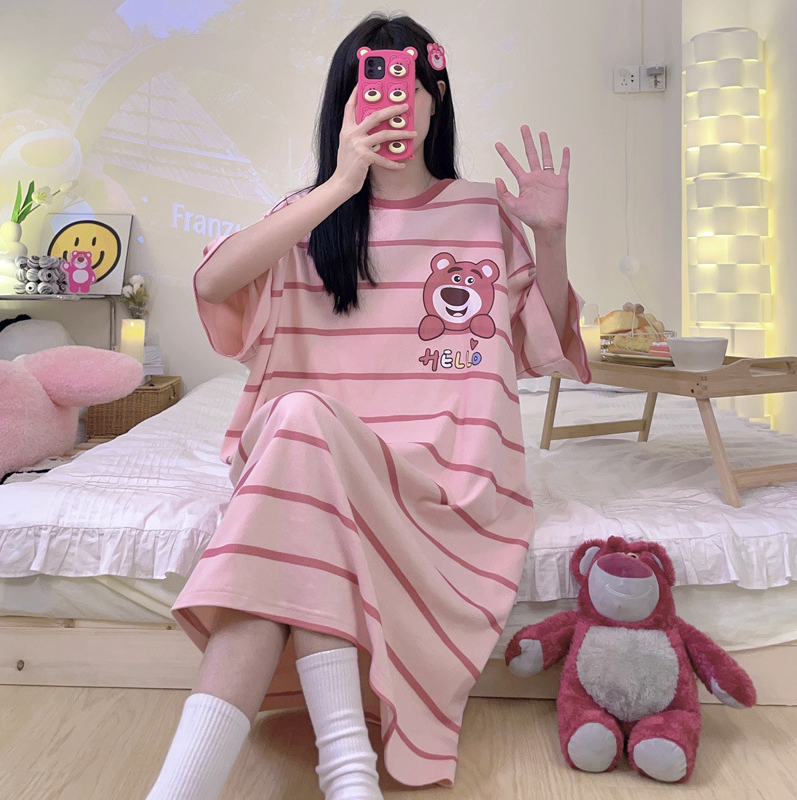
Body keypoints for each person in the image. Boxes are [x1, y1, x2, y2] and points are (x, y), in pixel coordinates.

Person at [144, 12, 590, 800]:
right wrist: (339, 187)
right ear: (345, 105)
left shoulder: (484, 212)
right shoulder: (310, 214)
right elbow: (212, 284)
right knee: (302, 431)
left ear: (435, 101)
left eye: (410, 87)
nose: (394, 104)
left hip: (442, 487)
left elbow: (543, 347)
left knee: (296, 437)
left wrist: (549, 240)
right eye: (372, 87)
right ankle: (347, 773)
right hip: (314, 461)